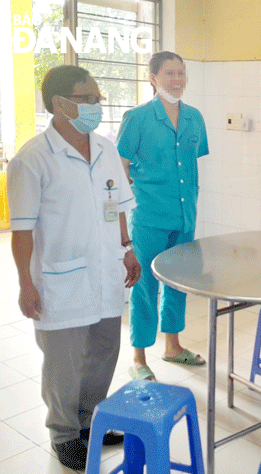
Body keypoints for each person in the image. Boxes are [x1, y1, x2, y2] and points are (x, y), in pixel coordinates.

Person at [7, 65, 141, 471]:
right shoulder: (32, 159)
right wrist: (25, 285)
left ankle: (90, 423)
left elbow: (117, 204)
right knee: (64, 362)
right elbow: (22, 232)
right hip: (59, 278)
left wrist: (128, 248)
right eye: (87, 98)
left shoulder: (104, 149)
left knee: (103, 351)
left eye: (98, 97)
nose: (96, 105)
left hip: (106, 271)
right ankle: (64, 434)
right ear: (59, 103)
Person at [116, 51, 209, 381]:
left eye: (181, 73)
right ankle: (139, 357)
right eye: (169, 73)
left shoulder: (195, 117)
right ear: (152, 78)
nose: (177, 79)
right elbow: (121, 167)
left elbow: (190, 163)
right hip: (150, 216)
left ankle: (173, 347)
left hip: (185, 216)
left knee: (178, 283)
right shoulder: (137, 118)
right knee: (145, 286)